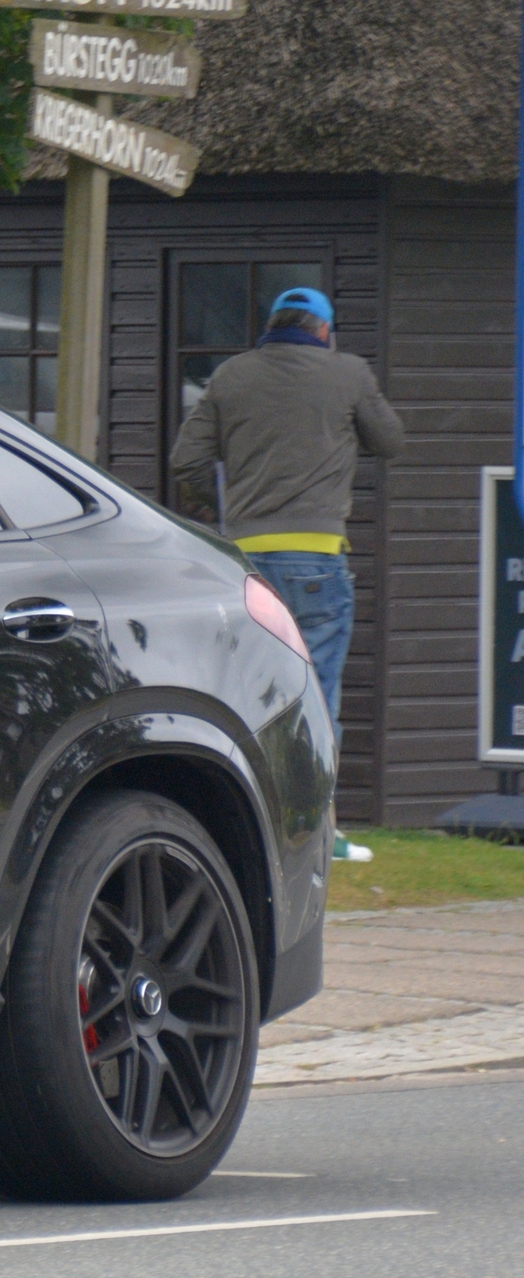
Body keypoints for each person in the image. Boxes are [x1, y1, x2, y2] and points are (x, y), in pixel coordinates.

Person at [170, 286, 404, 863]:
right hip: (318, 561)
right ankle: (318, 836)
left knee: (250, 693)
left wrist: (209, 510)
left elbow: (187, 462)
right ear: (323, 330)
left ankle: (252, 831)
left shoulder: (231, 376)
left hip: (245, 564)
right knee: (316, 699)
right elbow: (391, 439)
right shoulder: (347, 372)